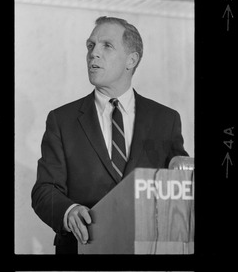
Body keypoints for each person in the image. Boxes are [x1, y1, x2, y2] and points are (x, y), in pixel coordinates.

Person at [31, 16, 189, 254]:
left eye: (107, 45)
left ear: (131, 60)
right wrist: (69, 211)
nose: (93, 53)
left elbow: (180, 186)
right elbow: (44, 190)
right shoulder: (61, 120)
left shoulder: (165, 120)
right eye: (90, 46)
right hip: (82, 248)